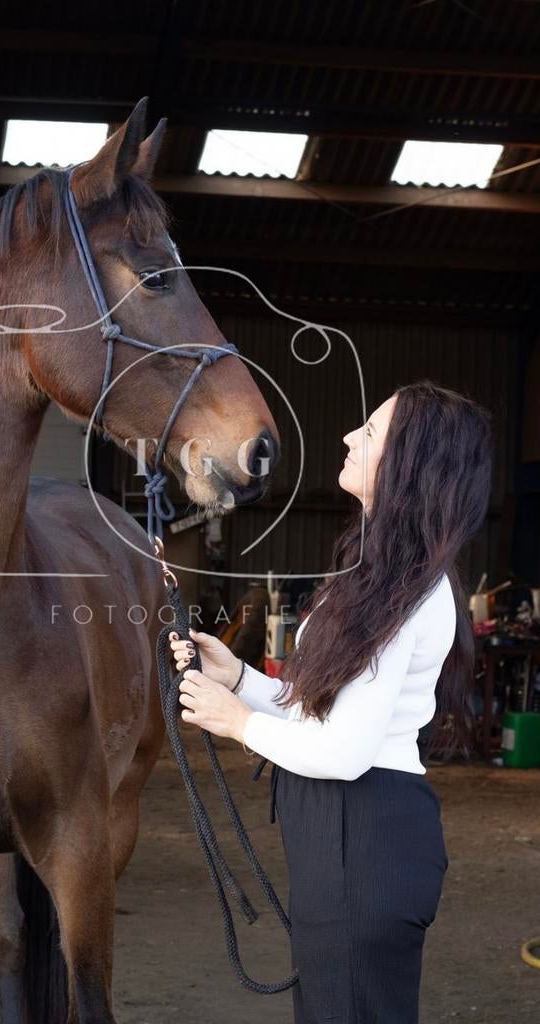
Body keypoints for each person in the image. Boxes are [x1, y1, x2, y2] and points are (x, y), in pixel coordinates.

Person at [169, 381, 492, 1024]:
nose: (348, 437)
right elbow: (323, 712)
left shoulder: (408, 595)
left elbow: (343, 753)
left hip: (365, 835)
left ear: (410, 462)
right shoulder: (383, 577)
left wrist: (237, 724)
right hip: (347, 838)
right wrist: (238, 679)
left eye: (369, 432)